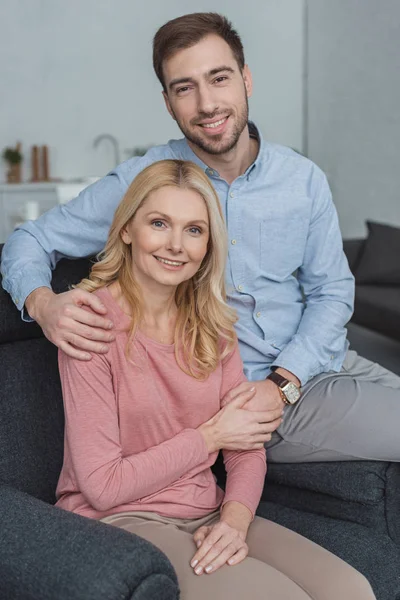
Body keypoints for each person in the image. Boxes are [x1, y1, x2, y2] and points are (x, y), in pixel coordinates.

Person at [1, 12, 399, 463]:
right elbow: (29, 239)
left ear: (246, 79)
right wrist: (42, 303)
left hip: (316, 363)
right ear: (169, 103)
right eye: (184, 88)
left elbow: (332, 290)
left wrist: (287, 379)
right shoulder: (146, 183)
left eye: (219, 78)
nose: (207, 104)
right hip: (245, 398)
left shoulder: (302, 179)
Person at [55, 158, 375, 599]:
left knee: (351, 589)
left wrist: (234, 521)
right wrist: (209, 437)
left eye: (194, 229)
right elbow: (103, 486)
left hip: (206, 509)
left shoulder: (213, 326)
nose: (175, 245)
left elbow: (246, 447)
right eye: (159, 223)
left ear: (209, 243)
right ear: (127, 229)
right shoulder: (89, 323)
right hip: (119, 518)